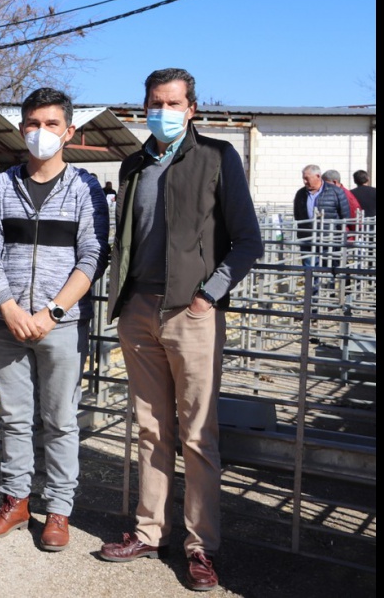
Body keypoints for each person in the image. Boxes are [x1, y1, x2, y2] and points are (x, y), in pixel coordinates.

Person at [99, 69, 262, 591]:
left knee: (197, 435)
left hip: (191, 313)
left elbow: (248, 241)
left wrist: (207, 295)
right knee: (150, 429)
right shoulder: (134, 164)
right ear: (143, 106)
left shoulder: (217, 157)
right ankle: (149, 531)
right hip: (138, 309)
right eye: (155, 102)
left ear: (191, 108)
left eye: (174, 103)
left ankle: (200, 547)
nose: (163, 111)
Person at [0, 87, 109, 551]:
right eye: (32, 123)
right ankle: (15, 501)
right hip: (7, 321)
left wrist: (51, 312)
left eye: (51, 124)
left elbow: (92, 256)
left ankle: (59, 510)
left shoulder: (86, 188)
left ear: (69, 131)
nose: (41, 132)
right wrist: (9, 307)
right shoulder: (1, 186)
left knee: (60, 419)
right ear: (21, 127)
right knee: (13, 417)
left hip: (61, 325)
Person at [293, 164, 350, 290]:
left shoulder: (336, 191)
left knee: (329, 269)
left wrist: (339, 236)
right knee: (310, 270)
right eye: (304, 178)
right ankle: (313, 300)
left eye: (307, 178)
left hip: (329, 239)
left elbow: (345, 216)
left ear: (318, 176)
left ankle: (329, 298)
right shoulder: (301, 194)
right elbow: (297, 215)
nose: (305, 181)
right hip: (308, 239)